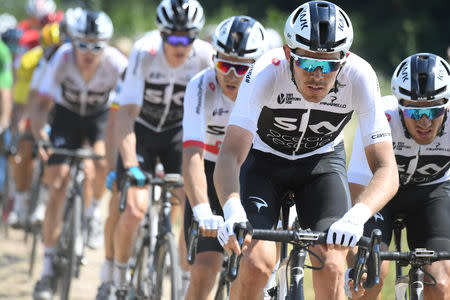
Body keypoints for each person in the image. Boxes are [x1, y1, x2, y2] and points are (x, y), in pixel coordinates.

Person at [213, 1, 398, 299]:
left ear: (344, 59)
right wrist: (232, 209)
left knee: (333, 264)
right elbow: (231, 152)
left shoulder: (360, 76)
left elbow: (387, 168)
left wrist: (356, 216)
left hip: (321, 165)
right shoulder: (265, 71)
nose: (317, 74)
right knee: (257, 264)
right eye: (307, 63)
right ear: (288, 54)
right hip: (264, 163)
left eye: (328, 65)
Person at [95, 0, 213, 298]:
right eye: (172, 37)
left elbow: (212, 116)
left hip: (177, 134)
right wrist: (131, 164)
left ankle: (183, 283)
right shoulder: (143, 53)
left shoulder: (204, 57)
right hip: (142, 131)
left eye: (187, 37)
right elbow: (126, 114)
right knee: (133, 209)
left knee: (191, 207)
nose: (180, 45)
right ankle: (118, 280)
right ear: (161, 35)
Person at [30, 8, 127, 300]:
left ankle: (93, 211)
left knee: (99, 161)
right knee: (57, 182)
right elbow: (40, 105)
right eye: (81, 44)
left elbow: (123, 112)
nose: (88, 52)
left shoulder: (116, 63)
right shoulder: (62, 58)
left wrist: (115, 149)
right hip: (66, 116)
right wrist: (40, 136)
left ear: (106, 45)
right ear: (72, 41)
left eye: (96, 45)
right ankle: (47, 271)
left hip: (99, 118)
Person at [345, 53, 450, 299]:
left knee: (442, 283)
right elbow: (356, 185)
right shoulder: (381, 116)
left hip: (431, 195)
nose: (424, 122)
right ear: (399, 105)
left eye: (434, 111)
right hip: (380, 195)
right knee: (369, 278)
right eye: (414, 113)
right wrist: (353, 249)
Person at [182, 15, 266, 300]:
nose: (232, 74)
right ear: (213, 58)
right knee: (206, 269)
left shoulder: (268, 90)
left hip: (253, 173)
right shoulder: (200, 85)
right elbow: (192, 152)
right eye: (224, 64)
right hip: (207, 169)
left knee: (257, 267)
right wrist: (202, 209)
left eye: (242, 68)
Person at [7, 20, 66, 227]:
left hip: (60, 111)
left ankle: (44, 200)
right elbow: (24, 100)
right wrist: (21, 126)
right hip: (35, 108)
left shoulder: (71, 61)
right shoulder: (31, 61)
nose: (56, 53)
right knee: (25, 145)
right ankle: (21, 201)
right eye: (51, 49)